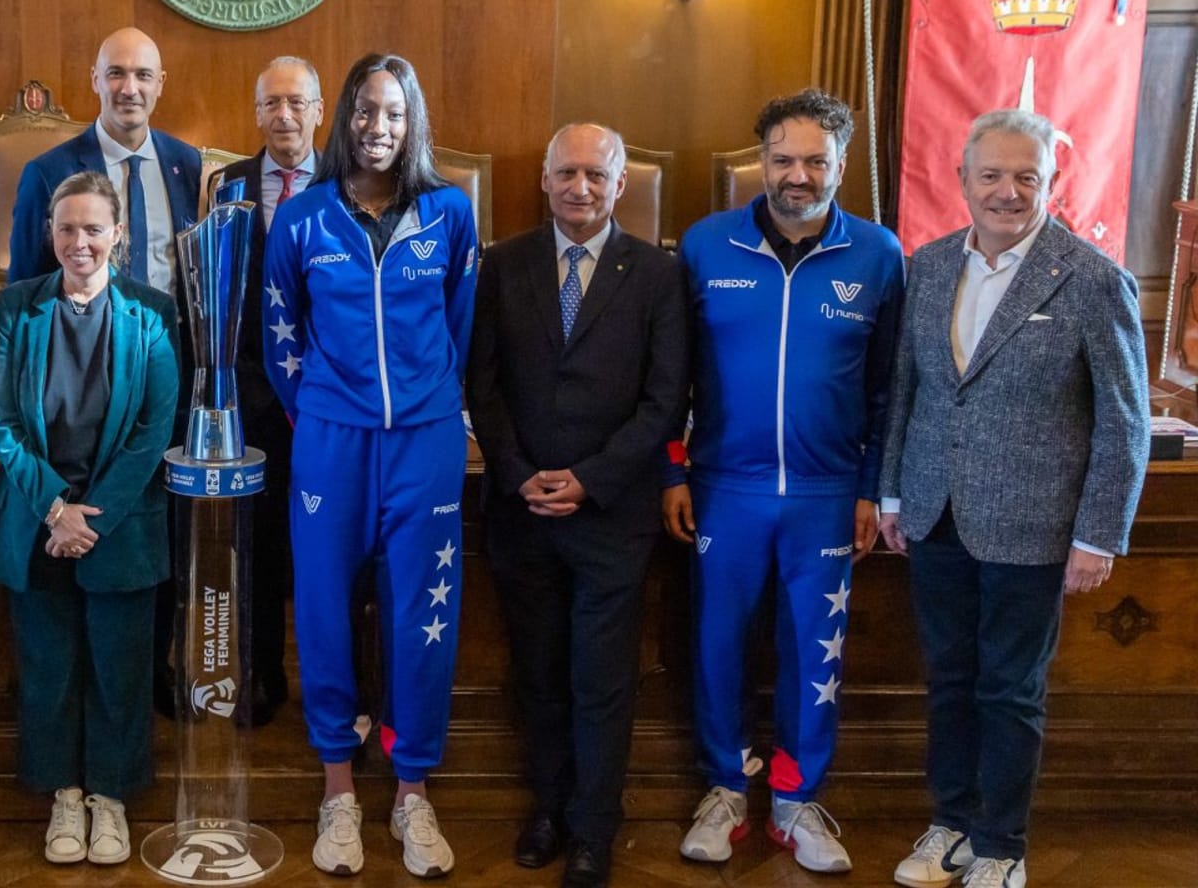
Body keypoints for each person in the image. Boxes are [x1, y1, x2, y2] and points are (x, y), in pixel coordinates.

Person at [878, 109, 1149, 888]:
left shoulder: (1092, 279)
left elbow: (1124, 421)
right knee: (949, 681)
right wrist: (892, 490)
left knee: (1010, 689)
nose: (1008, 191)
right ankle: (952, 823)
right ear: (962, 180)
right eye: (991, 175)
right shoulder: (929, 266)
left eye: (1026, 177)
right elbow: (908, 390)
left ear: (1049, 183)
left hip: (1035, 529)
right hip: (934, 515)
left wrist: (1098, 535)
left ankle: (1001, 845)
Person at [664, 89, 904, 875]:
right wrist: (673, 469)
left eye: (815, 160)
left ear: (841, 164)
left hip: (826, 494)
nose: (797, 175)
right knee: (717, 643)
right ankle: (725, 789)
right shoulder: (706, 246)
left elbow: (888, 391)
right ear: (760, 162)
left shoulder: (878, 255)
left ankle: (797, 802)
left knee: (814, 652)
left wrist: (869, 488)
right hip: (723, 489)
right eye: (782, 159)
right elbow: (670, 377)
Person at [263, 52, 478, 879]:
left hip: (425, 442)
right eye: (363, 110)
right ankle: (339, 791)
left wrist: (427, 404)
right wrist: (322, 411)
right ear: (343, 119)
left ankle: (413, 792)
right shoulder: (302, 219)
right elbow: (280, 336)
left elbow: (460, 325)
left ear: (411, 120)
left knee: (424, 614)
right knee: (322, 609)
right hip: (330, 441)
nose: (376, 127)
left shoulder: (450, 213)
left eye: (392, 112)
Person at [466, 123, 689, 888]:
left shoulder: (657, 275)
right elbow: (482, 384)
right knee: (537, 675)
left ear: (620, 185)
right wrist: (517, 471)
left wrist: (592, 478)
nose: (580, 187)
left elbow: (666, 400)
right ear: (544, 179)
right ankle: (549, 810)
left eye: (596, 174)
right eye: (566, 172)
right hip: (521, 511)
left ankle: (594, 828)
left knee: (602, 681)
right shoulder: (503, 265)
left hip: (610, 517)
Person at [0, 171, 180, 868]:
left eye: (94, 228)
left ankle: (110, 798)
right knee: (48, 669)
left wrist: (89, 517)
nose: (80, 242)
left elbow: (153, 430)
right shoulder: (17, 306)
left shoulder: (152, 312)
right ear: (50, 233)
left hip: (119, 523)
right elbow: (2, 421)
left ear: (117, 234)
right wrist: (55, 509)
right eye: (66, 228)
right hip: (38, 520)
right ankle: (65, 795)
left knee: (119, 671)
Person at [201, 54, 326, 726]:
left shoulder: (346, 184)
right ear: (256, 113)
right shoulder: (225, 186)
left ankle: (330, 693)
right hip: (251, 399)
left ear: (319, 111)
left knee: (325, 550)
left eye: (296, 102)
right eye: (271, 103)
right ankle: (259, 678)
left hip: (331, 402)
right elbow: (215, 296)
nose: (283, 115)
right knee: (254, 549)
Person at [5, 27, 202, 291]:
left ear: (160, 83)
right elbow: (23, 288)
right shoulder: (47, 173)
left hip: (170, 318)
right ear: (95, 79)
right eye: (116, 73)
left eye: (143, 75)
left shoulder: (186, 163)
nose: (130, 89)